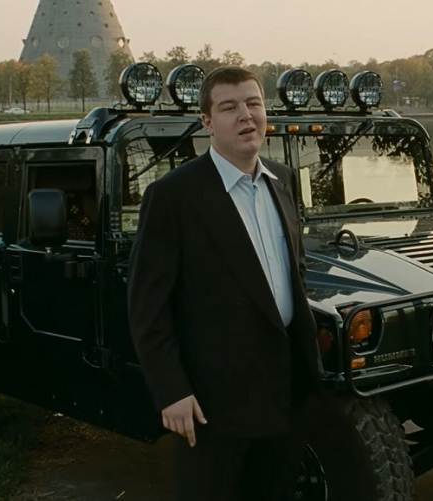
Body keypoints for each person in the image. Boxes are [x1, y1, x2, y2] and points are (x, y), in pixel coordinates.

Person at [127, 65, 322, 501]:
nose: (246, 116)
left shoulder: (283, 180)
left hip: (284, 391)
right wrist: (172, 391)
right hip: (211, 402)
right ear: (207, 122)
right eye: (230, 107)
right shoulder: (173, 196)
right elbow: (147, 307)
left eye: (253, 103)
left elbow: (295, 270)